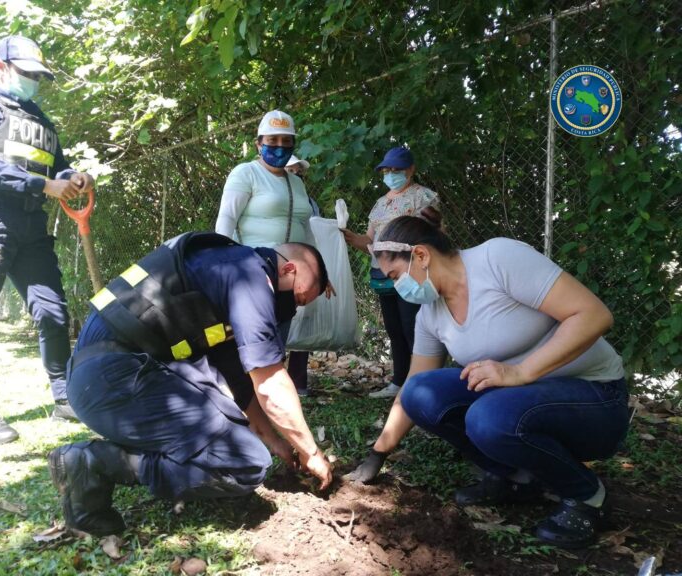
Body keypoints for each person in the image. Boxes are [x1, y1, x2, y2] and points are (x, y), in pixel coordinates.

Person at [346, 214, 629, 549]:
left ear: (420, 255)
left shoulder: (497, 259)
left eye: (396, 276)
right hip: (520, 402)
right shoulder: (431, 314)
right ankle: (517, 478)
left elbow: (594, 315)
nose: (398, 287)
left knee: (488, 417)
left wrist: (521, 372)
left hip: (595, 397)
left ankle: (588, 496)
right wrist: (378, 454)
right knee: (421, 394)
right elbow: (413, 384)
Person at [48, 232, 333, 536]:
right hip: (112, 380)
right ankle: (94, 463)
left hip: (102, 376)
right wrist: (311, 452)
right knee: (247, 462)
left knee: (231, 426)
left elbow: (241, 383)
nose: (295, 308)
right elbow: (270, 384)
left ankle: (119, 456)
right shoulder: (251, 278)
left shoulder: (226, 269)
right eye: (299, 297)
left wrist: (277, 443)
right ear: (288, 269)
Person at [0, 35, 90, 444]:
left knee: (53, 313)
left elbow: (57, 168)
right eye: (27, 73)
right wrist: (44, 186)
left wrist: (74, 178)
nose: (34, 81)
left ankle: (65, 398)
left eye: (39, 76)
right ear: (2, 67)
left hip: (31, 228)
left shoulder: (40, 120)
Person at [215, 112, 321, 396]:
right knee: (250, 344)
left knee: (277, 344)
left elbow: (305, 227)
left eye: (286, 141)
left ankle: (267, 399)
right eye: (272, 140)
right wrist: (223, 266)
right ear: (258, 143)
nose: (279, 146)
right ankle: (239, 398)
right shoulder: (245, 173)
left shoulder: (296, 182)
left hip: (288, 278)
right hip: (253, 274)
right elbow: (226, 220)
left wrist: (318, 271)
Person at [342, 146, 439, 398]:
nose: (391, 174)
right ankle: (399, 381)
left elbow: (435, 233)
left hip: (411, 272)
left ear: (411, 170)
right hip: (384, 274)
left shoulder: (423, 197)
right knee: (394, 328)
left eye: (397, 169)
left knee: (412, 326)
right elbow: (369, 241)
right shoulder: (380, 204)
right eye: (387, 170)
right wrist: (352, 238)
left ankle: (422, 382)